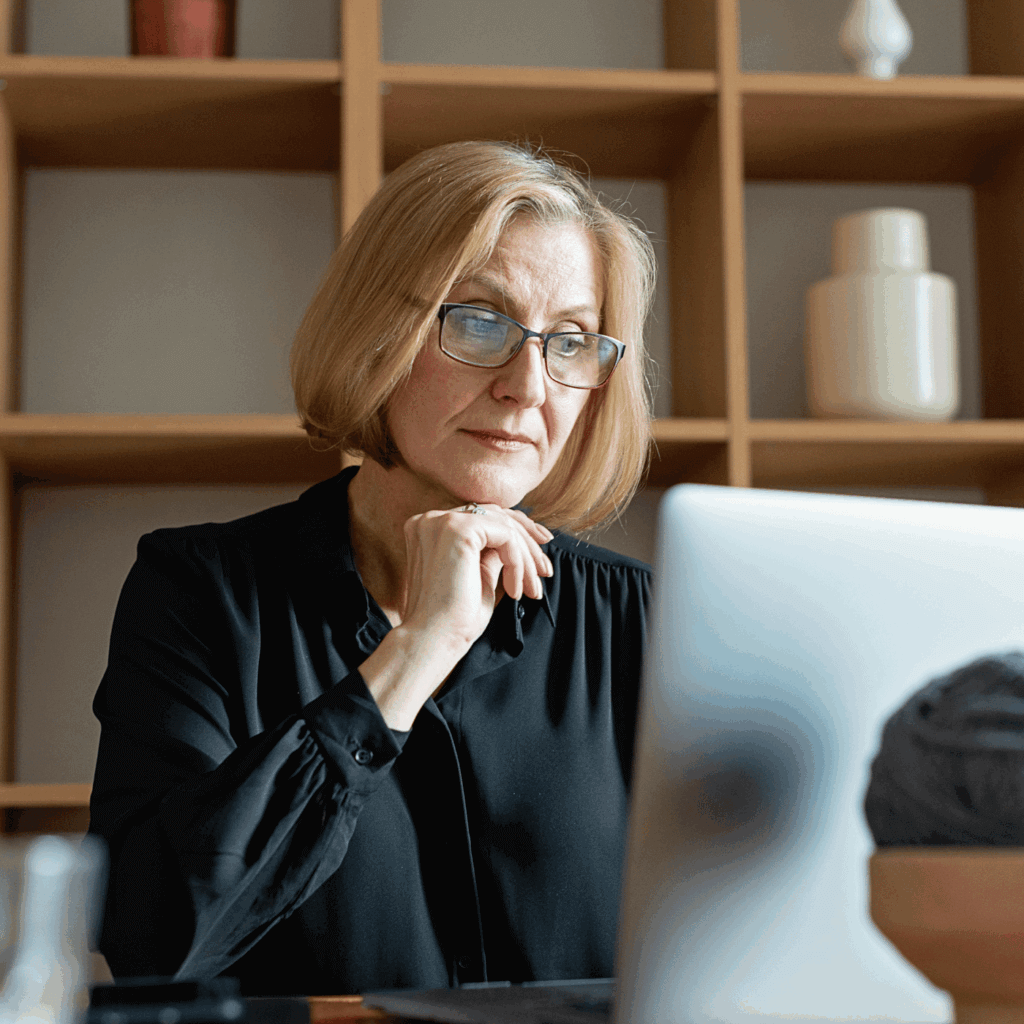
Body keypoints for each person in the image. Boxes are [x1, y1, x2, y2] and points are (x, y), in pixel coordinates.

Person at [87, 140, 655, 996]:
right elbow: (152, 938)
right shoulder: (200, 591)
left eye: (570, 341)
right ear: (379, 330)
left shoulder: (640, 619)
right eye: (480, 321)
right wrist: (412, 654)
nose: (528, 385)